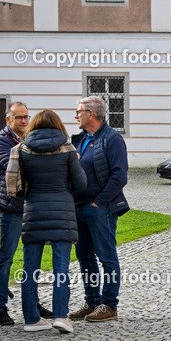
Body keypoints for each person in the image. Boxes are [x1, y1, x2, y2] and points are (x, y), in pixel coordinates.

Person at [12, 110, 88, 332]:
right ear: (57, 126)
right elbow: (81, 184)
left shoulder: (23, 149)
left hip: (33, 210)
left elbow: (16, 184)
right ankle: (61, 317)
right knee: (61, 267)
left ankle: (31, 319)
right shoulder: (67, 149)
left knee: (30, 269)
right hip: (62, 211)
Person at [0, 101, 53, 326]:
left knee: (32, 260)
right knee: (5, 259)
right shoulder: (1, 141)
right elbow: (13, 168)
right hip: (13, 209)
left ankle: (32, 303)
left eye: (26, 117)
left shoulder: (29, 139)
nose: (24, 121)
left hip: (32, 208)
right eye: (19, 118)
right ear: (8, 120)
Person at [70, 96, 129, 323]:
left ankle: (109, 304)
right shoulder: (80, 139)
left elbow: (119, 176)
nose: (76, 116)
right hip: (79, 206)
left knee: (106, 256)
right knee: (84, 256)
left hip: (100, 207)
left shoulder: (112, 139)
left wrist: (98, 202)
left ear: (91, 114)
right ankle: (92, 301)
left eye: (78, 112)